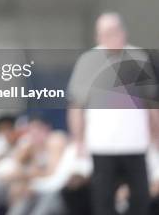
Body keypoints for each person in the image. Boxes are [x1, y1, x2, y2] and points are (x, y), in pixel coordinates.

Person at [67, 12, 159, 215]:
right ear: (98, 36)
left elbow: (151, 102)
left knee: (140, 200)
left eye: (115, 31)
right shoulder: (88, 60)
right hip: (102, 145)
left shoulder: (138, 57)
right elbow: (76, 106)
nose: (112, 36)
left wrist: (155, 134)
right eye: (106, 33)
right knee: (103, 201)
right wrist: (78, 140)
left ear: (123, 32)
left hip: (135, 144)